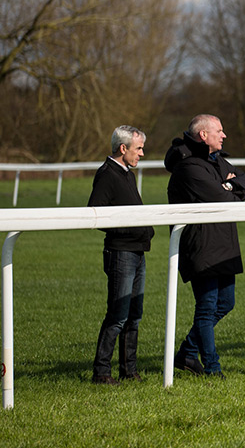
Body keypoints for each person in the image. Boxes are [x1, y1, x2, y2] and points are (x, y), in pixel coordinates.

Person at [164, 114, 245, 379]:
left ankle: (187, 353)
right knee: (207, 306)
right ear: (204, 135)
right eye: (219, 131)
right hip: (200, 244)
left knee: (226, 303)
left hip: (223, 241)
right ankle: (213, 368)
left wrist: (229, 185)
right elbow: (222, 198)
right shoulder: (188, 165)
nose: (224, 136)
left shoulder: (216, 160)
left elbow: (244, 182)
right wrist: (228, 186)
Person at [88, 125, 155, 385]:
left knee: (134, 316)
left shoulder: (127, 173)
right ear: (123, 148)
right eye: (138, 148)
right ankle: (102, 372)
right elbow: (96, 213)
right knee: (118, 316)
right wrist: (134, 228)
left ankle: (129, 371)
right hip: (120, 253)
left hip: (137, 252)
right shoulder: (106, 174)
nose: (142, 153)